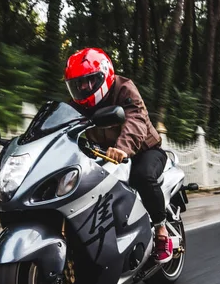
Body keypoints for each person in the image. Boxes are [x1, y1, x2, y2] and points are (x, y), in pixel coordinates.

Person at [64, 47, 173, 264]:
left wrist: (123, 148)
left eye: (88, 81)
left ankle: (161, 231)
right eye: (78, 84)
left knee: (142, 176)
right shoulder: (77, 105)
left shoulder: (124, 89)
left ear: (104, 76)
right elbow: (62, 126)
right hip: (105, 156)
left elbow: (136, 120)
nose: (83, 88)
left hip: (144, 150)